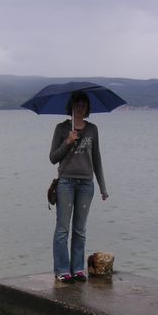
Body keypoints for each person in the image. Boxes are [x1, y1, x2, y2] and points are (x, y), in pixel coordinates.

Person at [49, 91, 108, 283]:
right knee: (62, 229)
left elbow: (97, 159)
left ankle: (77, 269)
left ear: (88, 107)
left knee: (80, 230)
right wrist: (68, 142)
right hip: (66, 182)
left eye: (83, 104)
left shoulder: (93, 130)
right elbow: (53, 158)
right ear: (71, 107)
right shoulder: (61, 128)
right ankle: (62, 270)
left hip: (86, 184)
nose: (80, 107)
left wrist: (103, 187)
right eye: (77, 104)